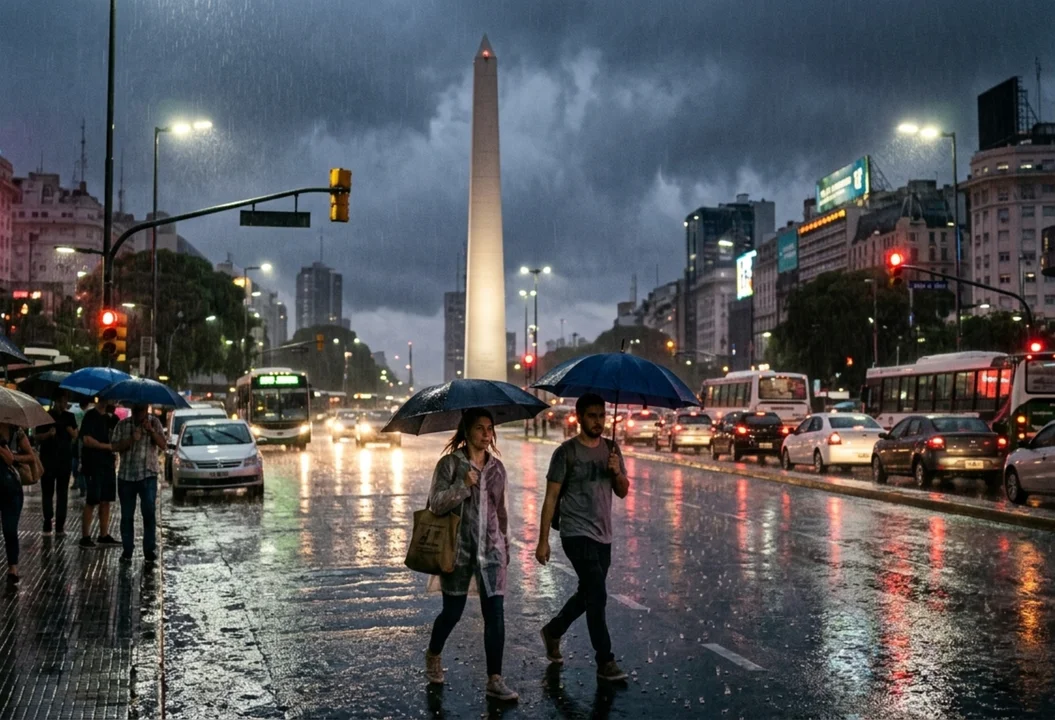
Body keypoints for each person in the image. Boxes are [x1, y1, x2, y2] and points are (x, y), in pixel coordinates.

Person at [424, 408, 517, 702]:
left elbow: (500, 511)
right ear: (466, 431)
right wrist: (462, 486)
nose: (486, 434)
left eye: (490, 428)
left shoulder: (497, 469)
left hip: (491, 552)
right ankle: (433, 654)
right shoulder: (450, 465)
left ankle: (495, 679)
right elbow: (435, 504)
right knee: (452, 612)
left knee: (496, 614)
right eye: (480, 428)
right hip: (458, 551)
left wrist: (505, 544)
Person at [536, 393, 630, 682]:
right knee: (598, 595)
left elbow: (623, 490)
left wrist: (616, 473)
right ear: (579, 418)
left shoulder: (612, 449)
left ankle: (553, 631)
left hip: (604, 535)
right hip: (575, 533)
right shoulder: (566, 453)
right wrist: (542, 541)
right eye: (592, 416)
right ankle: (605, 661)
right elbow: (551, 497)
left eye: (602, 416)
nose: (598, 421)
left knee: (588, 592)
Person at [110, 403, 165, 564]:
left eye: (141, 410)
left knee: (148, 513)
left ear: (146, 409)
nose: (138, 413)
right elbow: (114, 446)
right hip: (126, 476)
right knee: (127, 516)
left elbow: (163, 444)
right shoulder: (123, 425)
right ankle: (127, 550)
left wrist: (151, 431)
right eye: (135, 410)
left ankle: (149, 550)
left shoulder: (154, 423)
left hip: (148, 475)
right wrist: (132, 439)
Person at [34, 392, 78, 535]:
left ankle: (60, 525)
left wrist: (71, 431)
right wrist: (48, 435)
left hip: (64, 461)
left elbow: (76, 435)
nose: (64, 404)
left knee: (62, 493)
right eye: (62, 401)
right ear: (56, 401)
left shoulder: (69, 417)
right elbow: (37, 437)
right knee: (47, 492)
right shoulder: (45, 416)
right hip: (48, 460)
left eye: (65, 401)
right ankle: (47, 522)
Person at [78, 400, 120, 548]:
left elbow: (117, 440)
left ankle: (104, 534)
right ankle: (85, 536)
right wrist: (105, 446)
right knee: (92, 499)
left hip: (108, 464)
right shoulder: (90, 416)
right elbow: (86, 439)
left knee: (106, 499)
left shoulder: (112, 419)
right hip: (93, 464)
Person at [0, 422, 36, 585]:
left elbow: (30, 456)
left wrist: (13, 458)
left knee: (10, 530)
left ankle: (13, 568)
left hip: (11, 487)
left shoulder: (16, 430)